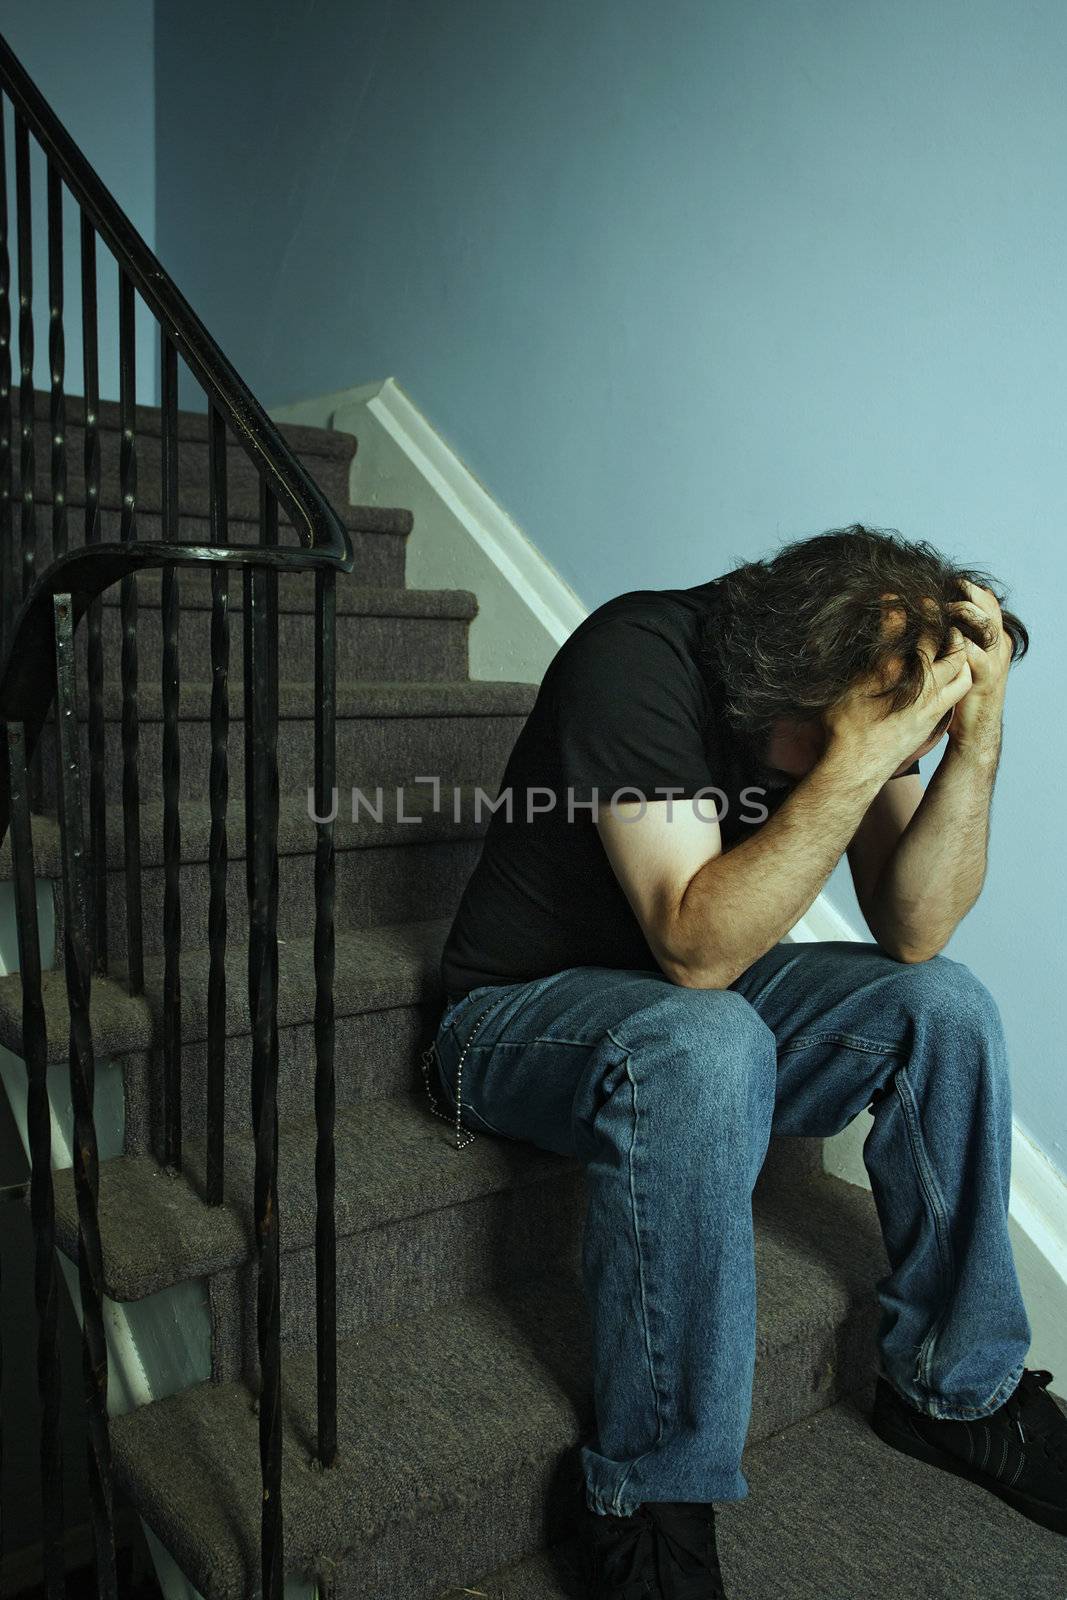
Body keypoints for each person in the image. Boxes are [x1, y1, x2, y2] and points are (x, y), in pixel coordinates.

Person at [424, 524, 1064, 1598]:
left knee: (937, 1006)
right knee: (705, 1031)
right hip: (514, 1020)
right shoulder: (637, 656)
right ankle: (650, 1487)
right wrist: (860, 755)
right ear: (796, 686)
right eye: (887, 728)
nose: (897, 749)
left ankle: (953, 1386)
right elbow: (694, 946)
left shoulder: (852, 721)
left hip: (684, 1011)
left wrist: (975, 746)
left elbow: (914, 932)